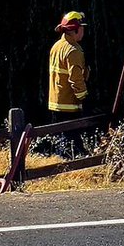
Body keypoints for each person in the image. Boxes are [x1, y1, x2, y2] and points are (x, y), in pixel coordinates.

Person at [48, 11, 89, 155]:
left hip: (55, 102)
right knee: (73, 145)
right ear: (75, 29)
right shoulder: (74, 51)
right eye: (82, 27)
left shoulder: (57, 46)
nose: (83, 31)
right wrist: (84, 97)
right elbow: (76, 78)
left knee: (60, 141)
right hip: (69, 104)